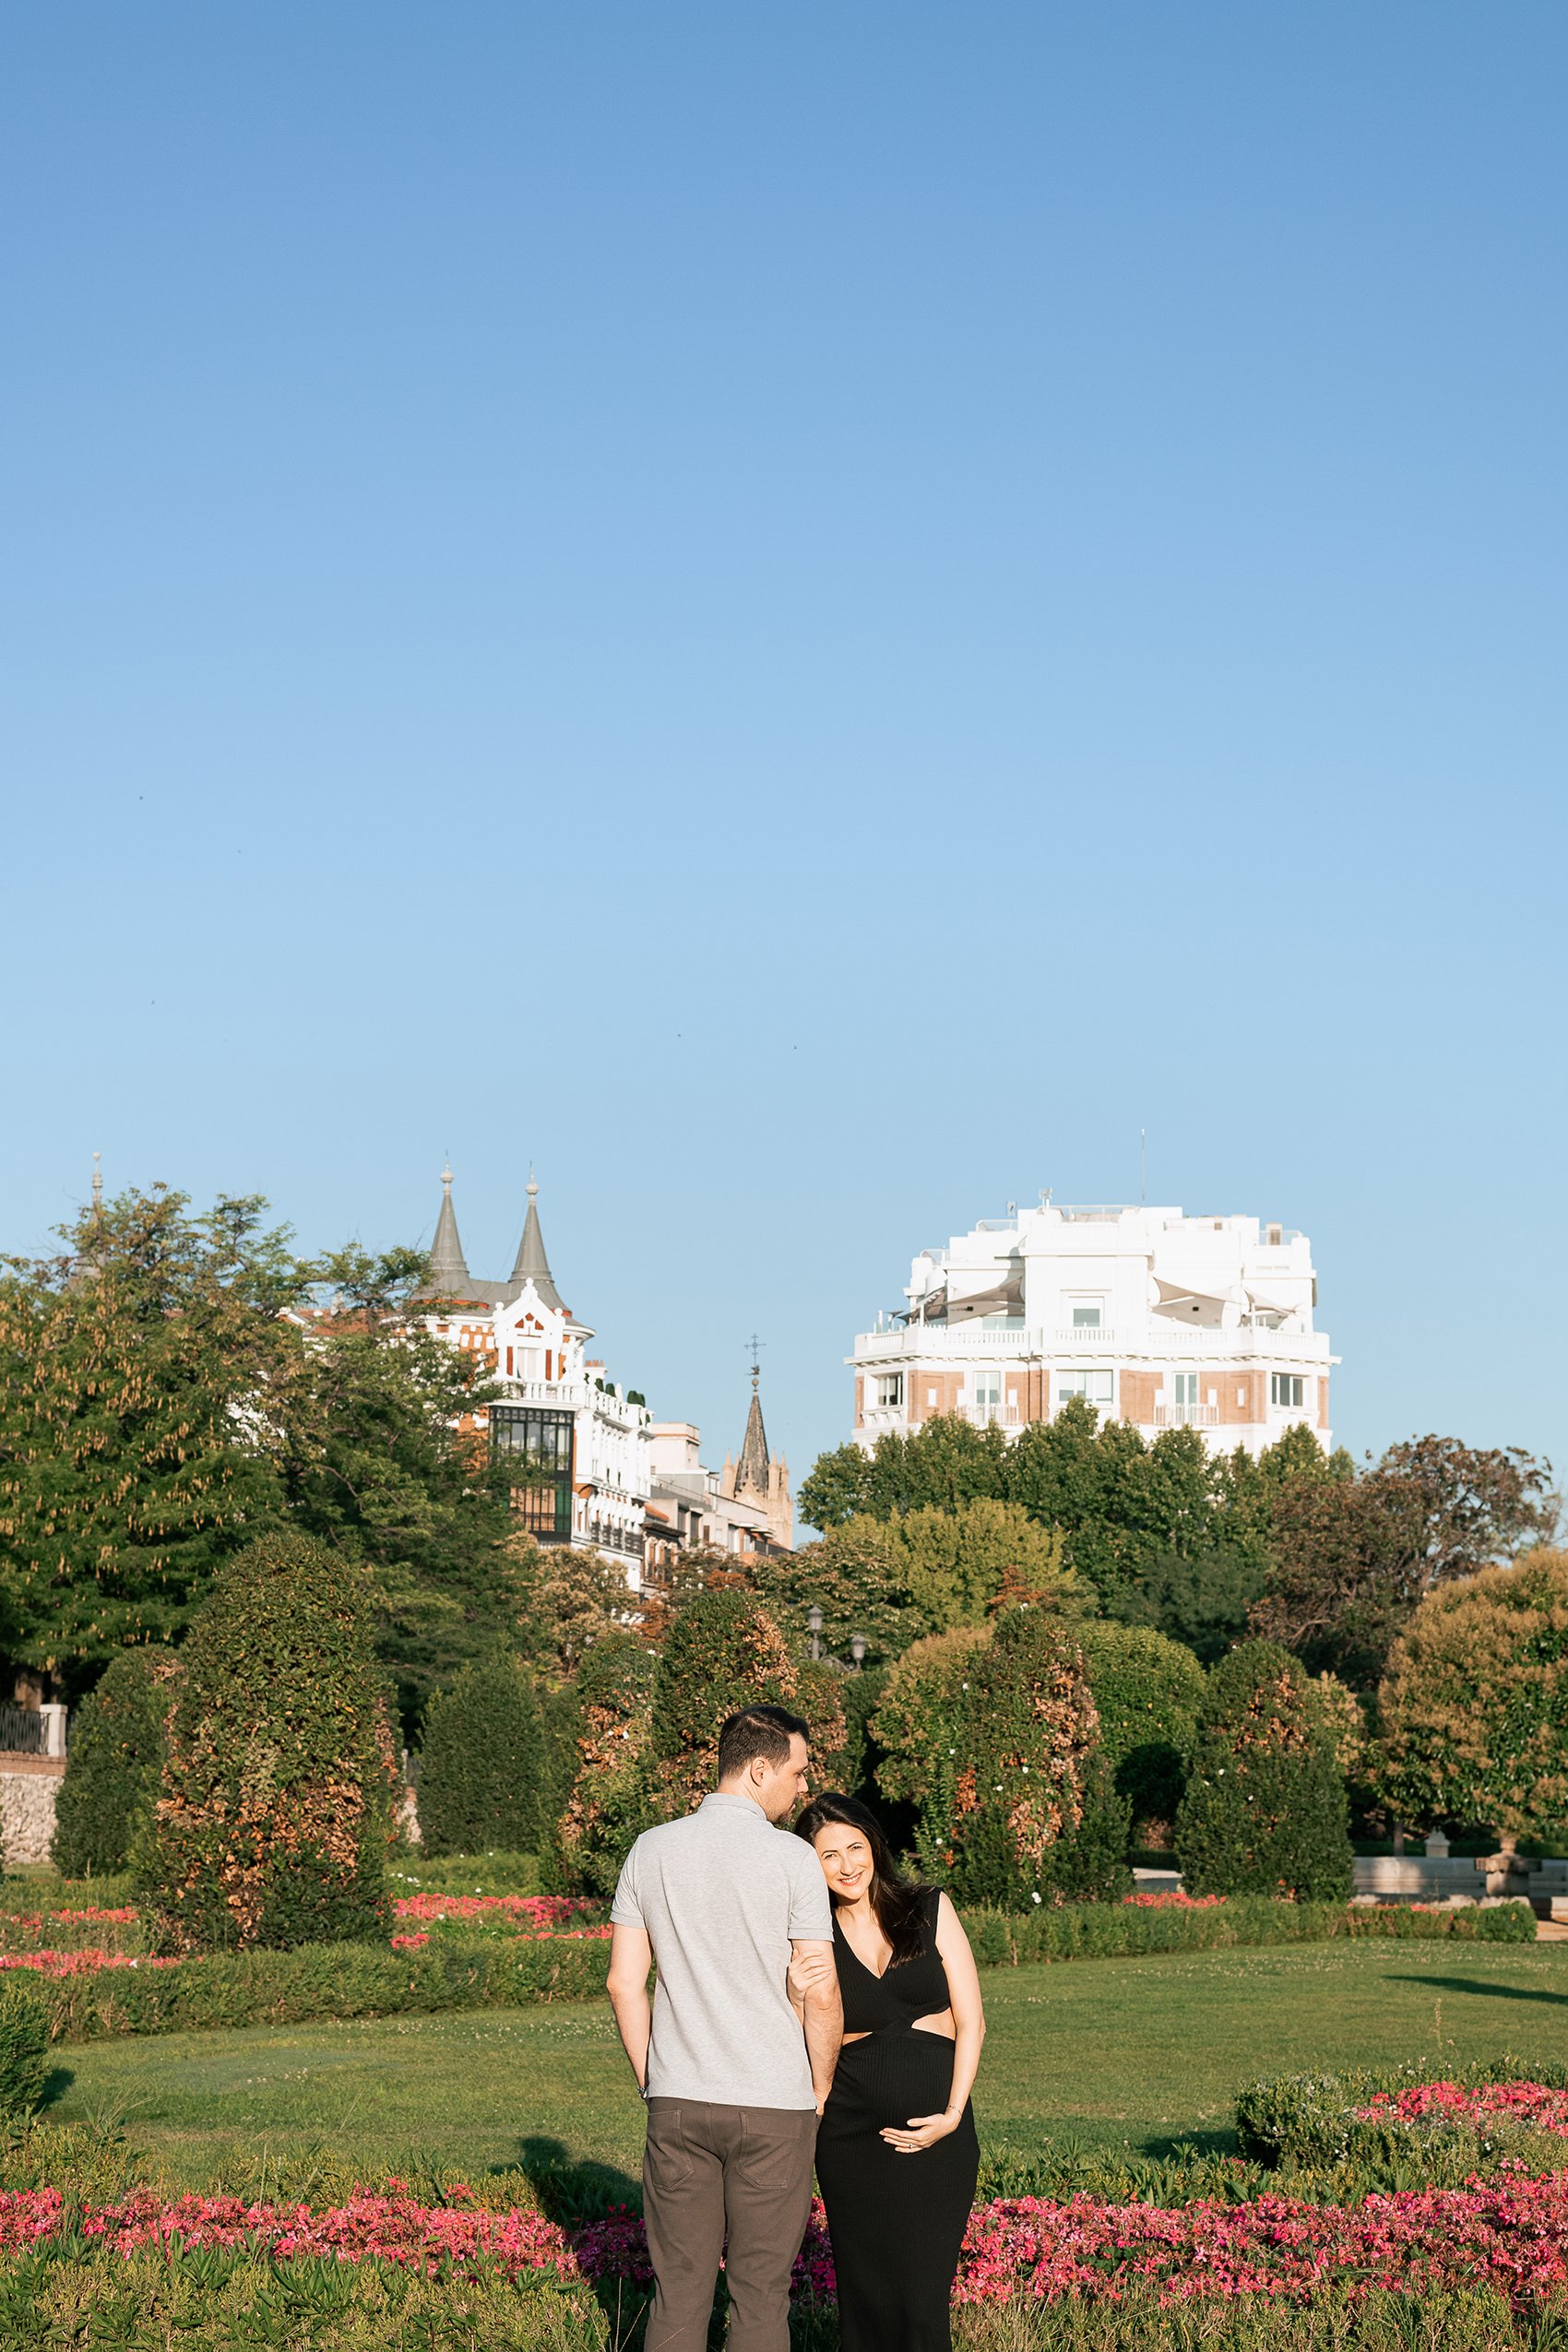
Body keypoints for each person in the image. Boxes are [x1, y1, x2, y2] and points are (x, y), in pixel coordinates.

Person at [606, 1705, 844, 2352]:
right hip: (773, 2104)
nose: (803, 1788)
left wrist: (655, 2082)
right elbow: (819, 1989)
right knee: (761, 2295)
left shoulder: (651, 1849)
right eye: (796, 1773)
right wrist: (819, 2086)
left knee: (679, 2291)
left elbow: (624, 1984)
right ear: (759, 1768)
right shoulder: (793, 1859)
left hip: (679, 2101)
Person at [792, 1792, 984, 2352]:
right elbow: (800, 2029)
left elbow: (971, 2021)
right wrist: (792, 1991)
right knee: (866, 2295)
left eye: (856, 1847)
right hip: (850, 2140)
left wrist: (952, 2115)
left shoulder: (928, 1906)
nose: (848, 1865)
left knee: (922, 2300)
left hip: (938, 2137)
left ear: (875, 1844)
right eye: (830, 1855)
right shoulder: (810, 1936)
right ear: (811, 1865)